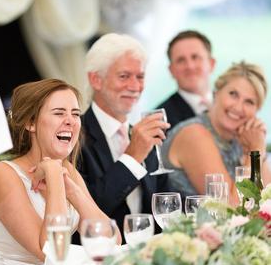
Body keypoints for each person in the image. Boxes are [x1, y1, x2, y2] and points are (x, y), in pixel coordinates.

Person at [0, 79, 115, 265]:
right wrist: (55, 177)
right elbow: (51, 252)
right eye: (59, 113)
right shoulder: (1, 173)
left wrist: (72, 190)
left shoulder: (68, 170)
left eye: (75, 114)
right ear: (30, 122)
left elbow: (110, 243)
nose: (70, 121)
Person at [79, 33, 170, 234]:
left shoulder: (143, 135)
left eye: (140, 76)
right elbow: (86, 213)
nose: (135, 87)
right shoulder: (74, 136)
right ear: (96, 80)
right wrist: (132, 156)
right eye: (124, 76)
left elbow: (163, 202)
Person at [161, 62, 270, 205]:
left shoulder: (241, 139)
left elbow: (265, 203)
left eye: (249, 102)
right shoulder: (194, 135)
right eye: (233, 94)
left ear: (257, 110)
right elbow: (233, 209)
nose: (238, 107)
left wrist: (254, 151)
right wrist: (256, 152)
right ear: (216, 92)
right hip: (188, 226)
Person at [157, 30, 216, 128]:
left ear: (212, 64)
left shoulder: (233, 107)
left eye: (195, 57)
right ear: (171, 70)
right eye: (181, 60)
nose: (190, 66)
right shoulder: (160, 120)